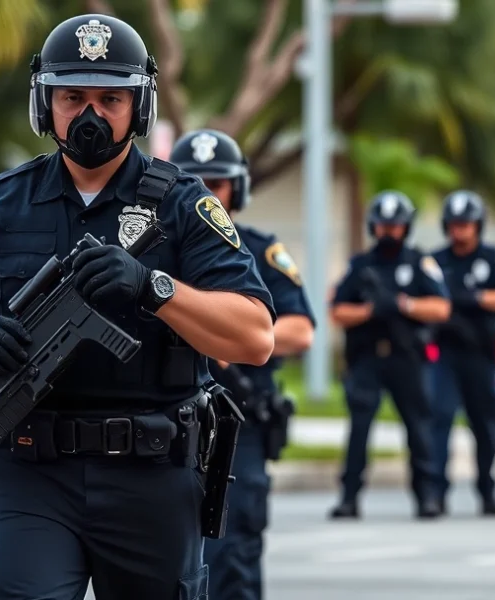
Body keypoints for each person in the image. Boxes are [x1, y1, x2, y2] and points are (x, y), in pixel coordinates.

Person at [0, 14, 276, 600]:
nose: (90, 115)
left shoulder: (183, 206)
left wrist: (154, 287)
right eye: (72, 97)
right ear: (44, 104)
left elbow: (254, 336)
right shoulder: (0, 203)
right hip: (29, 471)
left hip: (152, 472)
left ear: (139, 106)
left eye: (110, 99)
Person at [172, 129, 316, 600]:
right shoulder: (153, 250)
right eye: (194, 181)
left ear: (238, 188)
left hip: (236, 425)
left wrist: (234, 339)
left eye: (217, 183)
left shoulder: (258, 249)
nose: (206, 193)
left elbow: (300, 330)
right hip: (166, 420)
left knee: (232, 555)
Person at [329, 190, 450, 520]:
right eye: (383, 226)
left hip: (406, 358)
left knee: (419, 429)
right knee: (359, 429)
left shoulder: (419, 263)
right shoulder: (361, 266)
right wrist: (370, 311)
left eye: (395, 226)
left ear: (406, 227)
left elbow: (441, 308)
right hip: (368, 359)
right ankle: (349, 497)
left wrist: (403, 305)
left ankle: (427, 496)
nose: (388, 232)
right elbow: (338, 311)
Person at [429, 190, 495, 516]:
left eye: (466, 225)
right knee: (440, 418)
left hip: (480, 353)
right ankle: (436, 492)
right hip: (445, 352)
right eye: (455, 225)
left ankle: (487, 490)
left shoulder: (493, 258)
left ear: (478, 225)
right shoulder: (435, 262)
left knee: (484, 423)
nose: (460, 231)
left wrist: (477, 298)